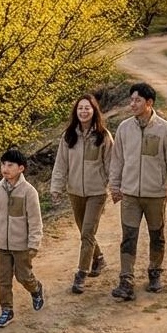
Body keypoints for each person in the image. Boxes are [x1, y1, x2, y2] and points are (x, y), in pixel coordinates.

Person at [108, 81, 167, 301]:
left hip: (155, 194)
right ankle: (126, 280)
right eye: (131, 100)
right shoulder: (124, 128)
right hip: (130, 194)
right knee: (128, 237)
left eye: (137, 100)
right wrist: (115, 186)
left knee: (156, 236)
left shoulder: (165, 130)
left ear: (149, 103)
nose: (132, 104)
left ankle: (154, 273)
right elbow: (117, 160)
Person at [50, 93, 114, 293]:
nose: (84, 111)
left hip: (97, 192)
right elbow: (61, 164)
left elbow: (111, 164)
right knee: (84, 231)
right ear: (75, 112)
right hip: (75, 191)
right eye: (80, 108)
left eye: (87, 108)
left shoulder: (103, 136)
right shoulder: (69, 136)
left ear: (94, 111)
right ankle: (99, 258)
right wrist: (56, 188)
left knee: (87, 232)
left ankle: (81, 273)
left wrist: (115, 187)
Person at [0, 147, 44, 327]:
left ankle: (36, 289)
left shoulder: (29, 192)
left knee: (23, 276)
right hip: (2, 244)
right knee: (3, 280)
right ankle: (7, 310)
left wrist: (33, 245)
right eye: (3, 164)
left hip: (22, 246)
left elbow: (35, 221)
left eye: (10, 165)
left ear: (21, 168)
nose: (5, 168)